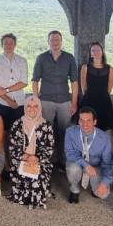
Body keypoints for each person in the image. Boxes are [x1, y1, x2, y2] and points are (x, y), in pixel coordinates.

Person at [31, 30, 78, 167]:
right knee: (46, 132)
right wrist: (36, 102)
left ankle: (63, 162)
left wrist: (74, 103)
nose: (55, 42)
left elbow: (74, 82)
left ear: (61, 41)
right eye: (52, 40)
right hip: (46, 101)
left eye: (57, 40)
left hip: (65, 101)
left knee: (65, 133)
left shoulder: (69, 58)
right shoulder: (41, 58)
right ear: (48, 42)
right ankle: (46, 162)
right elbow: (35, 81)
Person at [7, 96, 55, 209]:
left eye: (35, 106)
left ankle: (37, 193)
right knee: (24, 179)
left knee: (37, 179)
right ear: (25, 107)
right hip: (21, 159)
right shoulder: (17, 124)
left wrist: (37, 158)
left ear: (40, 108)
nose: (32, 109)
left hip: (39, 161)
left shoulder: (46, 125)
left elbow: (49, 148)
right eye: (29, 106)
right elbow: (13, 147)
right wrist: (26, 157)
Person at [64, 106, 113, 204]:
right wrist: (86, 165)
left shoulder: (104, 138)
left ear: (95, 122)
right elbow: (69, 153)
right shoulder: (70, 132)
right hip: (77, 163)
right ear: (78, 121)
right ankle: (74, 189)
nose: (84, 124)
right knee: (73, 168)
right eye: (81, 120)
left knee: (103, 194)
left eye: (88, 121)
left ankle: (94, 187)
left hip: (95, 167)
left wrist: (105, 183)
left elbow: (108, 163)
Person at [0, 33, 28, 133]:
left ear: (15, 45)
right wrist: (10, 101)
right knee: (2, 131)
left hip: (19, 102)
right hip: (1, 102)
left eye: (11, 43)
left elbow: (24, 82)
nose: (8, 45)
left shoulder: (22, 61)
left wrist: (6, 90)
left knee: (19, 131)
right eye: (5, 43)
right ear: (2, 45)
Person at [79, 42, 113, 132]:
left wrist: (102, 96)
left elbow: (109, 88)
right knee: (86, 127)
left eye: (98, 50)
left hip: (104, 102)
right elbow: (83, 87)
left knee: (103, 128)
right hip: (89, 101)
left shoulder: (109, 68)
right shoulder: (85, 67)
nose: (96, 52)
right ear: (90, 54)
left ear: (102, 52)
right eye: (93, 50)